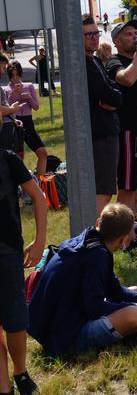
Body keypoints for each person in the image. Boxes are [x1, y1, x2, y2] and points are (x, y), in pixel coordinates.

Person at [28, 203, 137, 358]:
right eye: (132, 232)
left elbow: (114, 291)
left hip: (55, 325)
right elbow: (94, 307)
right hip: (63, 338)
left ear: (98, 223)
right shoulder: (97, 257)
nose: (134, 236)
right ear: (122, 240)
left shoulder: (90, 241)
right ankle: (136, 328)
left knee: (135, 290)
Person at [0, 148, 47, 395]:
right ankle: (4, 386)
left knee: (15, 321)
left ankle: (20, 371)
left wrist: (40, 241)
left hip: (7, 251)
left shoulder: (8, 159)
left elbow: (38, 197)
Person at [106, 20, 137, 213]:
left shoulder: (133, 62)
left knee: (135, 184)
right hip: (126, 132)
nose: (135, 37)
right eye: (128, 34)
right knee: (126, 187)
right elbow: (126, 79)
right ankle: (121, 234)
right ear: (116, 41)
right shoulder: (114, 62)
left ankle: (131, 231)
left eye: (136, 32)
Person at [83, 15, 124, 215]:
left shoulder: (95, 61)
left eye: (96, 33)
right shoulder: (85, 65)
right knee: (104, 191)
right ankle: (95, 238)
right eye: (88, 34)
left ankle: (95, 237)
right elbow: (109, 94)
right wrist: (114, 98)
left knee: (104, 190)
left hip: (106, 131)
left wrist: (114, 99)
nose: (94, 38)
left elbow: (114, 93)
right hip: (101, 134)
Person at [3, 62, 48, 176]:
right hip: (14, 122)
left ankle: (40, 182)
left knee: (42, 152)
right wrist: (12, 95)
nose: (15, 78)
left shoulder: (29, 86)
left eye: (17, 75)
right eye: (12, 76)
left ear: (21, 74)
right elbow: (4, 108)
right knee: (18, 156)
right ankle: (20, 186)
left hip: (28, 122)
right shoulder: (6, 90)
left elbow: (36, 107)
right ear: (9, 76)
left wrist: (29, 98)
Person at [0, 52, 25, 154]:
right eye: (2, 67)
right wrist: (13, 109)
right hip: (4, 130)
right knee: (8, 163)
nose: (2, 72)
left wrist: (13, 119)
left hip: (8, 125)